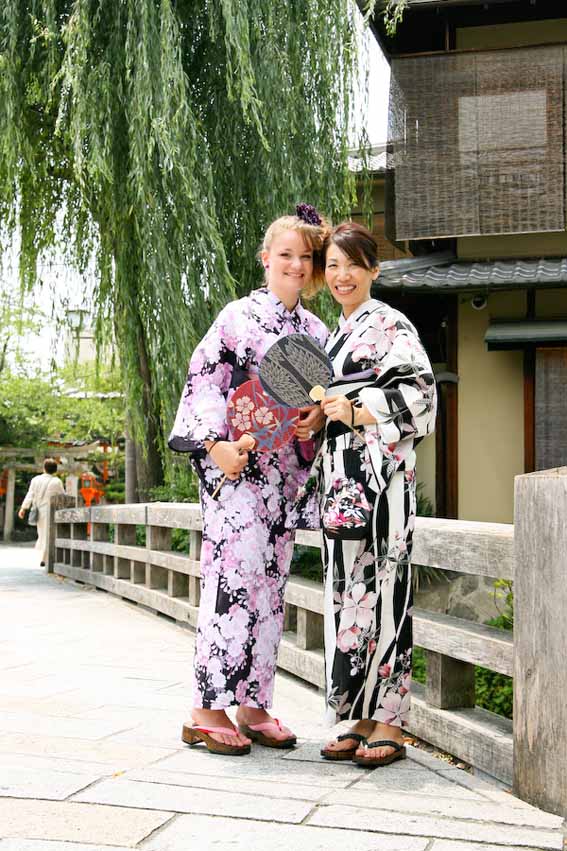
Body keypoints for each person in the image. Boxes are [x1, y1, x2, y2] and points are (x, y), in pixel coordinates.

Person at [168, 206, 328, 755]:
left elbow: (317, 402)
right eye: (286, 254)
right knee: (231, 582)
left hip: (283, 476)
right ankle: (206, 708)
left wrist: (315, 419)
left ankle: (254, 706)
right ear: (265, 259)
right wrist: (215, 447)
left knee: (271, 587)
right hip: (234, 471)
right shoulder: (237, 318)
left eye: (305, 257)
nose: (296, 265)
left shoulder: (316, 331)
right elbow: (204, 382)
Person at [317, 222, 437, 767]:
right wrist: (318, 419)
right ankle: (359, 715)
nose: (342, 276)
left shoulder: (390, 324)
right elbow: (332, 407)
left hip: (383, 479)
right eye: (333, 266)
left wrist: (359, 411)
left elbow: (422, 395)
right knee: (348, 593)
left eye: (353, 265)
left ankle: (390, 721)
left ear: (374, 269)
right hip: (341, 480)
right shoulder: (334, 335)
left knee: (386, 589)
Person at [18, 459, 65, 567]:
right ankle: (45, 558)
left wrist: (23, 508)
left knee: (42, 533)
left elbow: (30, 494)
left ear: (44, 468)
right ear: (55, 470)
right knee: (48, 533)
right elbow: (63, 496)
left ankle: (43, 557)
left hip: (38, 511)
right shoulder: (57, 481)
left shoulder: (35, 480)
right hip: (51, 511)